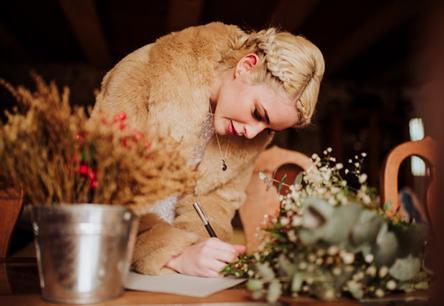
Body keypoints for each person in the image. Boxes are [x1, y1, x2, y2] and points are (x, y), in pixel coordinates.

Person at [93, 22, 324, 277]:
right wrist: (172, 254)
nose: (253, 133)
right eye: (258, 113)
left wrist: (208, 253)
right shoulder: (144, 73)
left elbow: (218, 202)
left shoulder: (248, 138)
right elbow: (102, 191)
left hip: (179, 279)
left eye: (269, 129)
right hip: (109, 261)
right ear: (246, 66)